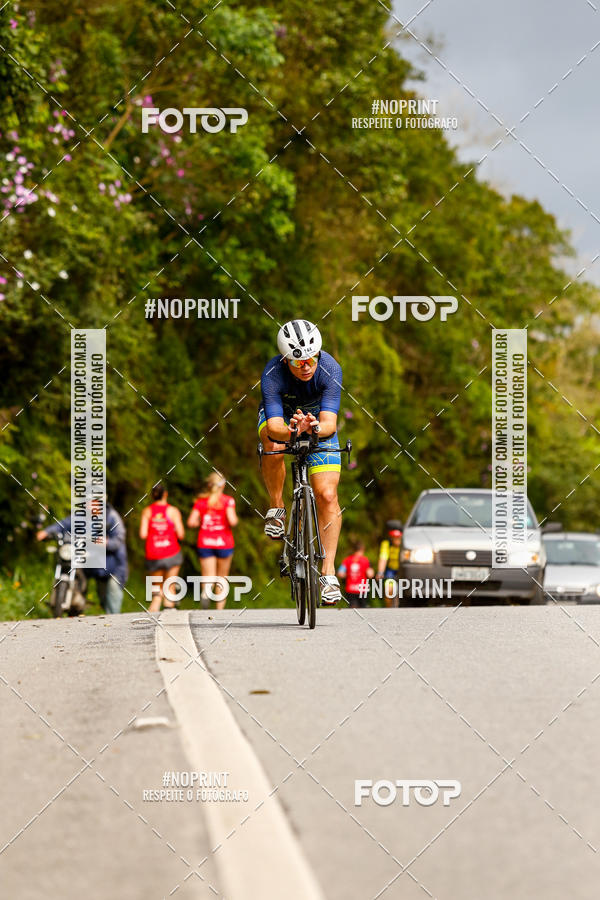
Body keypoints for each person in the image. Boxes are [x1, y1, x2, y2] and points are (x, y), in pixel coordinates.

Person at [258, 319, 344, 605]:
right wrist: (294, 430)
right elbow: (273, 427)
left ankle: (328, 573)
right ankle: (277, 507)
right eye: (298, 362)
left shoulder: (330, 369)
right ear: (285, 360)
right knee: (271, 444)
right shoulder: (272, 373)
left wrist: (314, 428)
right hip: (283, 419)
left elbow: (330, 424)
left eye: (310, 359)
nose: (306, 366)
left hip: (318, 420)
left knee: (328, 495)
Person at [36, 497, 128, 614]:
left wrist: (106, 542)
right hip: (88, 561)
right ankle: (74, 606)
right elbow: (63, 524)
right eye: (89, 501)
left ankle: (115, 626)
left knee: (109, 602)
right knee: (76, 571)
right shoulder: (81, 516)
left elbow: (118, 540)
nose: (90, 504)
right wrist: (47, 531)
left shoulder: (112, 517)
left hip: (112, 566)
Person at [187, 472, 238, 609]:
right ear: (223, 485)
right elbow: (233, 521)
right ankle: (219, 610)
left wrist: (200, 522)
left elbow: (191, 522)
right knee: (222, 577)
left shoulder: (201, 502)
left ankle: (206, 593)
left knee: (208, 575)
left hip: (205, 542)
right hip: (224, 543)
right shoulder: (228, 501)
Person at [139, 483, 185, 612]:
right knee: (170, 585)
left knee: (157, 587)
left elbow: (143, 534)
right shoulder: (173, 511)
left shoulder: (147, 511)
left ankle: (154, 609)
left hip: (154, 553)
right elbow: (181, 534)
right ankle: (169, 612)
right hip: (172, 552)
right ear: (165, 494)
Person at [337, 541, 374, 608]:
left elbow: (340, 573)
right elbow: (370, 574)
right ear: (362, 549)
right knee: (363, 608)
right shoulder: (365, 560)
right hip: (363, 589)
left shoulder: (347, 560)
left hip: (350, 589)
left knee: (353, 608)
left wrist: (348, 574)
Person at [376, 521, 403, 609]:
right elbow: (383, 558)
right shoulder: (386, 544)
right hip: (390, 571)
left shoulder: (405, 544)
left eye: (398, 538)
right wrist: (380, 572)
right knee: (388, 591)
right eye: (393, 538)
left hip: (402, 571)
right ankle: (389, 609)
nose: (396, 540)